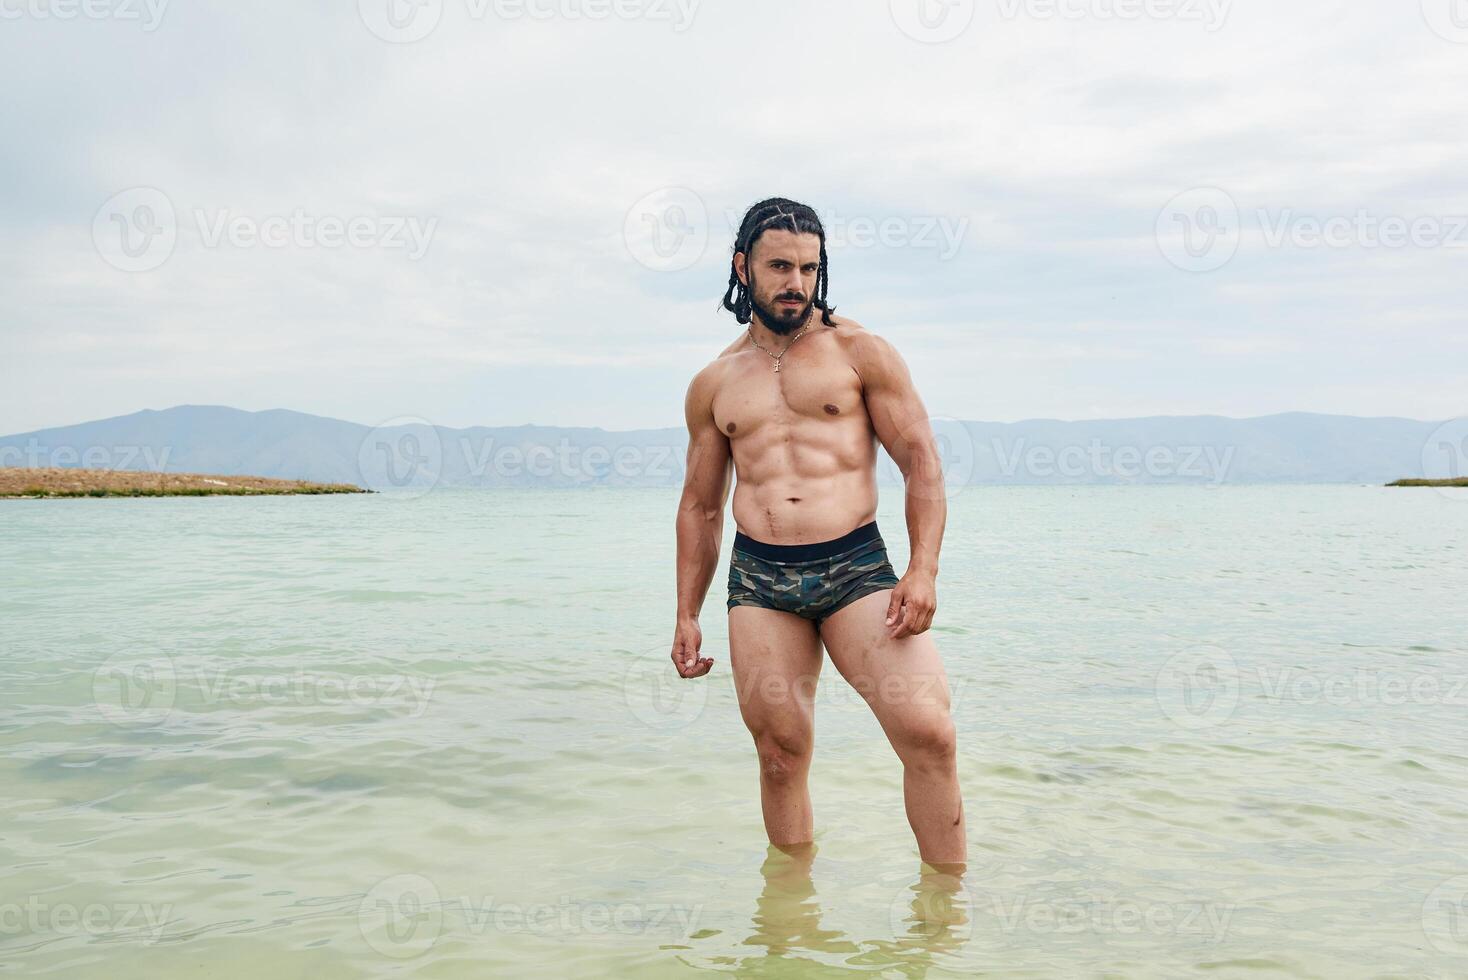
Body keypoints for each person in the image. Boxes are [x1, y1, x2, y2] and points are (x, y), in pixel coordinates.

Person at [671, 197, 966, 869]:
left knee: (928, 734)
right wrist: (686, 613)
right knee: (779, 754)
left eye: (809, 267)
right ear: (743, 267)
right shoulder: (715, 382)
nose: (796, 283)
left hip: (855, 567)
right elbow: (701, 507)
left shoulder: (861, 353)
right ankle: (792, 930)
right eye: (780, 266)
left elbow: (921, 459)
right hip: (761, 581)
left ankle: (945, 916)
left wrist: (923, 569)